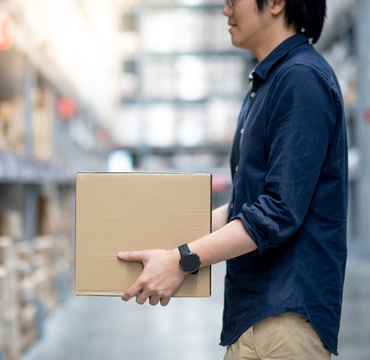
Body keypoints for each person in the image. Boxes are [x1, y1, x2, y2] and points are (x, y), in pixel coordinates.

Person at [117, 0, 348, 358]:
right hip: (253, 315)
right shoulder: (270, 81)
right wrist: (167, 241)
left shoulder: (301, 78)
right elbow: (249, 205)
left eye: (232, 1)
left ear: (274, 3)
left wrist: (183, 259)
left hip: (285, 319)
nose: (226, 11)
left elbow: (278, 211)